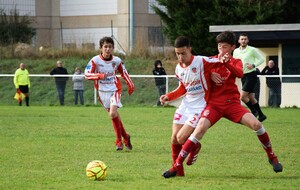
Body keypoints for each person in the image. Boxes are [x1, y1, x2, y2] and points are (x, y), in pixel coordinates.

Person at [162, 31, 283, 178]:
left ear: (232, 47)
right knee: (198, 130)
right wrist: (210, 74)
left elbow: (239, 73)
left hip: (232, 105)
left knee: (257, 125)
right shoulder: (210, 61)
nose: (221, 50)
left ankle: (272, 157)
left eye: (224, 47)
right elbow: (197, 73)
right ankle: (176, 166)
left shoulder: (236, 61)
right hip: (213, 105)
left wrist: (227, 64)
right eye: (219, 46)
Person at [160, 36, 223, 176]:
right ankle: (179, 172)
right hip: (185, 105)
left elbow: (221, 60)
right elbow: (183, 88)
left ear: (190, 49)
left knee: (182, 138)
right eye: (177, 54)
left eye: (183, 53)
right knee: (174, 138)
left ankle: (195, 146)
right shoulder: (178, 68)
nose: (180, 57)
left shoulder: (201, 61)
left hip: (200, 107)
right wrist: (168, 96)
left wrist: (212, 72)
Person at [85, 36, 134, 151]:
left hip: (115, 89)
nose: (107, 49)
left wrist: (130, 84)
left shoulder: (116, 61)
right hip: (102, 92)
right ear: (101, 48)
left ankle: (118, 141)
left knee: (112, 113)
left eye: (110, 47)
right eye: (105, 47)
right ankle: (126, 137)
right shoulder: (95, 61)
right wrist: (99, 76)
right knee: (114, 115)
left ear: (113, 48)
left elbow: (124, 73)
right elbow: (87, 74)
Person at [233, 33, 266, 122]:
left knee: (243, 97)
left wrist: (253, 65)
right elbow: (234, 62)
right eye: (242, 39)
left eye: (245, 39)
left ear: (248, 40)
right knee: (251, 97)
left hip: (251, 75)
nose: (243, 41)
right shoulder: (236, 51)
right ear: (239, 41)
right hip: (243, 76)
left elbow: (261, 59)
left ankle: (254, 111)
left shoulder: (252, 50)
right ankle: (261, 115)